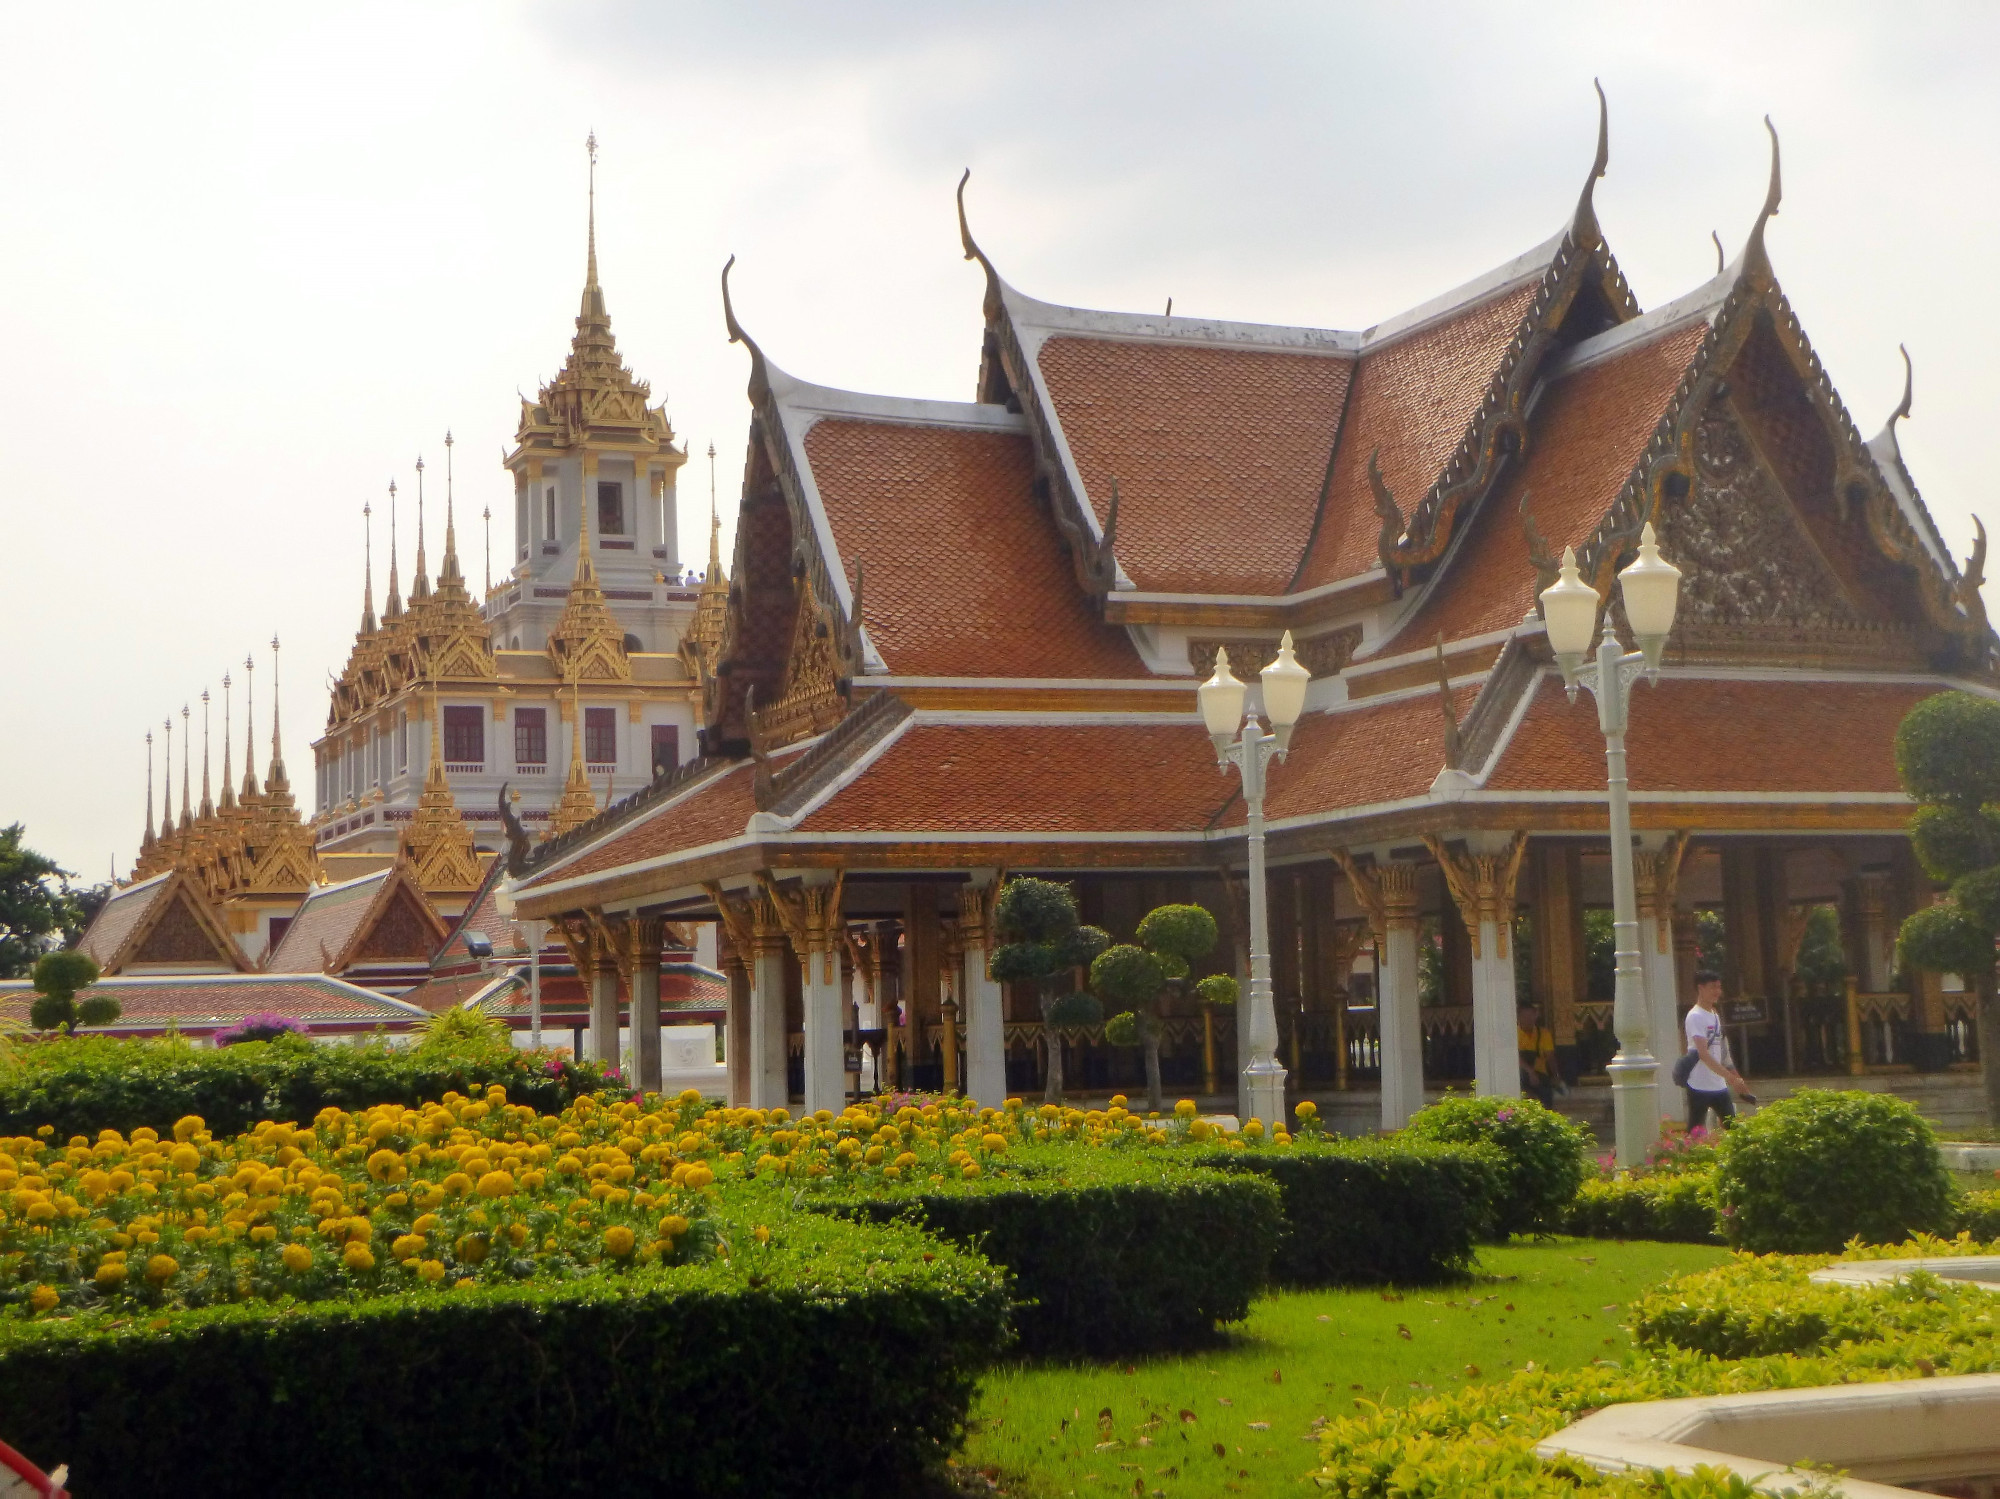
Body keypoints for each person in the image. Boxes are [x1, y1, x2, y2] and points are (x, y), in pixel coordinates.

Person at [1682, 969, 1754, 1130]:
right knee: (1695, 1133)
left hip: (1718, 1085)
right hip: (1698, 1084)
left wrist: (1735, 1077)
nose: (1718, 992)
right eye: (1713, 987)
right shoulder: (1695, 1016)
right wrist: (1730, 1078)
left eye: (1719, 987)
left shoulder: (1714, 1014)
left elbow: (1722, 1052)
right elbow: (1703, 1054)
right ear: (1701, 988)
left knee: (1732, 1127)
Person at [1516, 999, 1560, 1107]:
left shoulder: (1544, 1034)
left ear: (1536, 1016)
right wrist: (1530, 1072)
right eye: (1525, 1016)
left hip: (1540, 1073)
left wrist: (1555, 1076)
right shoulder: (1514, 1033)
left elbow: (1550, 1057)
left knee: (1546, 1094)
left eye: (1531, 1015)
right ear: (1518, 1017)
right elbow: (1514, 1057)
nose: (1528, 1019)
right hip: (1519, 1073)